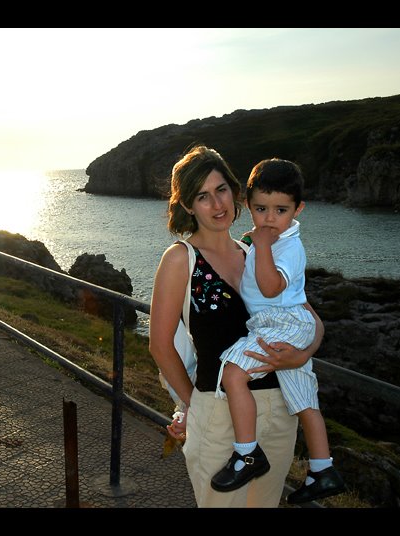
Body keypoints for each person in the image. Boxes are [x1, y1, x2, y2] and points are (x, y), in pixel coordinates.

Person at [148, 145, 325, 507]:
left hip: (280, 410)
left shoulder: (256, 250)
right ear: (187, 206)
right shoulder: (182, 259)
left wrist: (302, 353)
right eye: (202, 196)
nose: (217, 205)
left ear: (235, 191)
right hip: (217, 413)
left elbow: (310, 318)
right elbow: (160, 346)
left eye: (221, 190)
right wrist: (193, 404)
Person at [209, 158, 345, 504]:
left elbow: (270, 289)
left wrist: (264, 246)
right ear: (248, 205)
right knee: (304, 401)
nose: (270, 219)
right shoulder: (269, 242)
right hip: (289, 321)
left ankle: (247, 453)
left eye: (280, 210)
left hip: (280, 323)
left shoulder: (288, 246)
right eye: (261, 208)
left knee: (234, 375)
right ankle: (322, 470)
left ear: (298, 209)